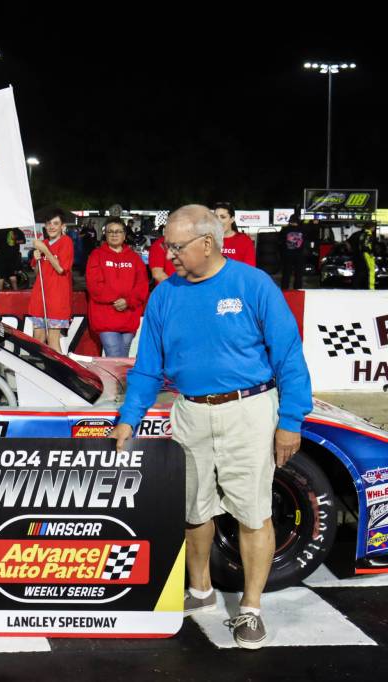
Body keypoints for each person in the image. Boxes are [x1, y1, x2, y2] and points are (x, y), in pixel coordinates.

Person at [112, 205, 311, 650]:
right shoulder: (165, 294)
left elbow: (289, 356)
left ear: (207, 242)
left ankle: (251, 609)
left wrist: (290, 420)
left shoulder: (252, 284)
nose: (168, 255)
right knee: (194, 509)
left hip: (250, 410)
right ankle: (201, 592)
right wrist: (129, 418)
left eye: (176, 247)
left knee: (252, 510)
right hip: (190, 412)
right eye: (165, 246)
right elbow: (147, 368)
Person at [85, 218, 149, 357]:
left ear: (124, 235)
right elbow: (94, 285)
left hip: (129, 314)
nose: (114, 234)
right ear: (105, 235)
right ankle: (113, 380)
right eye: (110, 232)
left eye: (118, 231)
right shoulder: (96, 255)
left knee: (122, 357)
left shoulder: (135, 258)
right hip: (106, 315)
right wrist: (117, 298)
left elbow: (142, 285)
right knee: (114, 354)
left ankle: (121, 380)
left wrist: (128, 301)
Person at [27, 210, 73, 353]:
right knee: (37, 341)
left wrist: (45, 251)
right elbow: (36, 272)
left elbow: (61, 269)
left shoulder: (66, 242)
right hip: (40, 298)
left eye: (56, 223)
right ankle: (37, 374)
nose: (52, 227)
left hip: (56, 300)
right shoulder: (43, 243)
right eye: (49, 224)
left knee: (53, 342)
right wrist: (37, 257)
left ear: (62, 226)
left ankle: (60, 375)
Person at [279, 214, 306, 290]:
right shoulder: (302, 230)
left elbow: (280, 241)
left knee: (286, 273)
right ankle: (297, 290)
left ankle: (284, 290)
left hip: (287, 255)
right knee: (298, 274)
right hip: (299, 255)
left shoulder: (285, 230)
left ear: (290, 221)